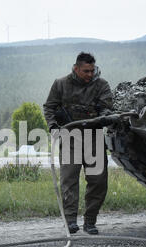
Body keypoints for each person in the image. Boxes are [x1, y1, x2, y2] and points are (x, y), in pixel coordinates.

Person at [43, 52, 113, 235]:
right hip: (70, 138)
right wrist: (52, 126)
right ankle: (70, 221)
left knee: (98, 181)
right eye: (86, 71)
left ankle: (90, 221)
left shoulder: (101, 85)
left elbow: (107, 106)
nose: (90, 74)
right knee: (69, 180)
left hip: (94, 138)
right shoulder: (60, 84)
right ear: (76, 68)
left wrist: (104, 116)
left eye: (92, 70)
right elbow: (49, 107)